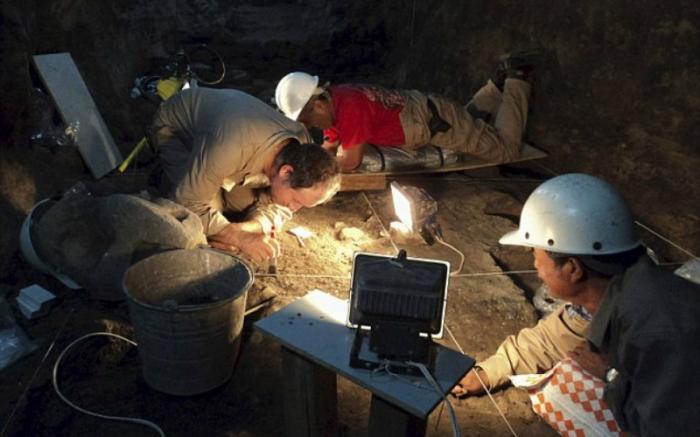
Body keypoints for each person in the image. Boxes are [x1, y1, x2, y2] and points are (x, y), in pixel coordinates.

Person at [452, 173, 700, 436]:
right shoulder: (612, 292)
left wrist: (610, 374)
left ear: (572, 268)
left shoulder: (660, 332)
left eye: (537, 255)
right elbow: (553, 338)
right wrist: (488, 372)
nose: (534, 265)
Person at [149, 87, 340, 262]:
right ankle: (165, 175)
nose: (294, 209)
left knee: (239, 209)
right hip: (178, 131)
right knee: (199, 223)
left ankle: (214, 182)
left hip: (229, 150)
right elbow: (188, 203)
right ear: (286, 171)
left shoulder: (301, 145)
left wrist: (242, 228)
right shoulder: (230, 145)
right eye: (296, 200)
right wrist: (240, 238)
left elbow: (278, 210)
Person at [274, 53, 537, 172]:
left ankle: (517, 79)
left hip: (435, 120)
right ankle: (496, 85)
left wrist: (316, 172)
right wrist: (314, 157)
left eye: (307, 119)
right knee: (468, 127)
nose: (311, 126)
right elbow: (332, 142)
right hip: (429, 114)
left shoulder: (350, 108)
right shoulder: (336, 99)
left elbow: (351, 161)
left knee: (506, 150)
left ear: (317, 104)